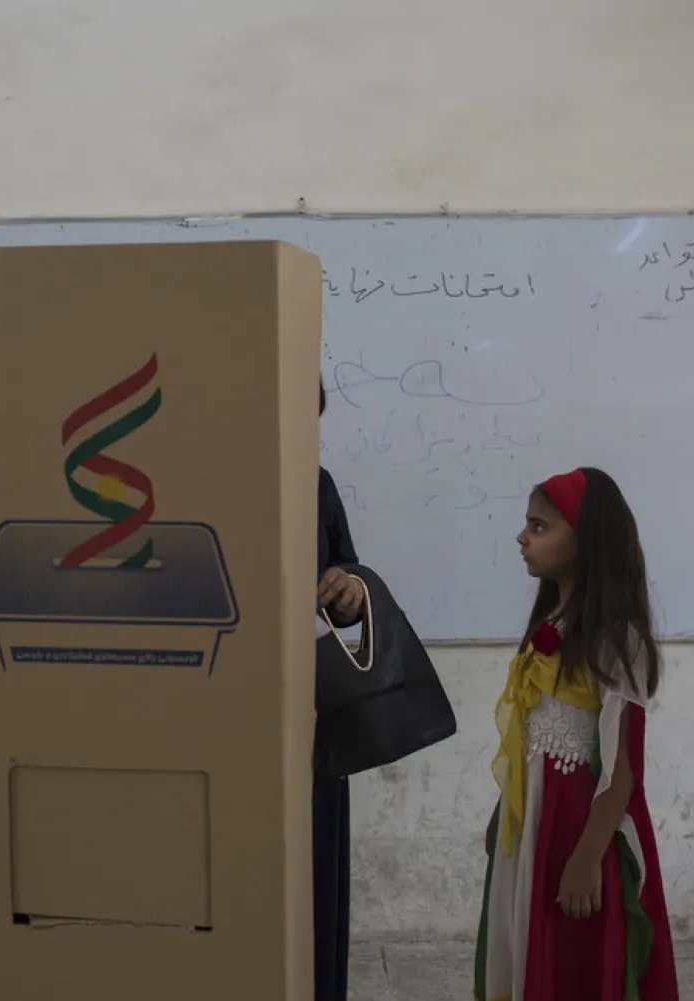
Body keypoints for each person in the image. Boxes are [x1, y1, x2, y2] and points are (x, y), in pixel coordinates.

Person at [474, 467, 679, 1001]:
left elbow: (623, 768)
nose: (523, 537)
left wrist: (589, 856)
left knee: (576, 963)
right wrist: (503, 815)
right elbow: (530, 736)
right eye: (527, 525)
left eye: (539, 527)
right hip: (533, 823)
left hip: (578, 827)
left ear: (586, 541)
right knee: (524, 947)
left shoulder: (617, 640)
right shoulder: (549, 629)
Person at [316, 381, 363, 1001]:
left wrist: (350, 590)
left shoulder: (317, 484)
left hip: (311, 712)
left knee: (314, 877)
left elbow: (351, 579)